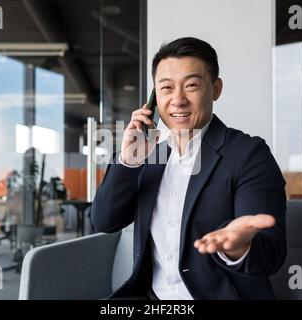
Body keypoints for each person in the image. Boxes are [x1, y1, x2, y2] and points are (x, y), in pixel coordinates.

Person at [91, 37, 287, 300]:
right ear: (153, 98)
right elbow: (105, 221)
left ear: (215, 89)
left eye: (192, 85)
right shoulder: (149, 156)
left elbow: (272, 254)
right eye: (166, 88)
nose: (178, 100)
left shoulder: (248, 154)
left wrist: (238, 248)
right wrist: (129, 162)